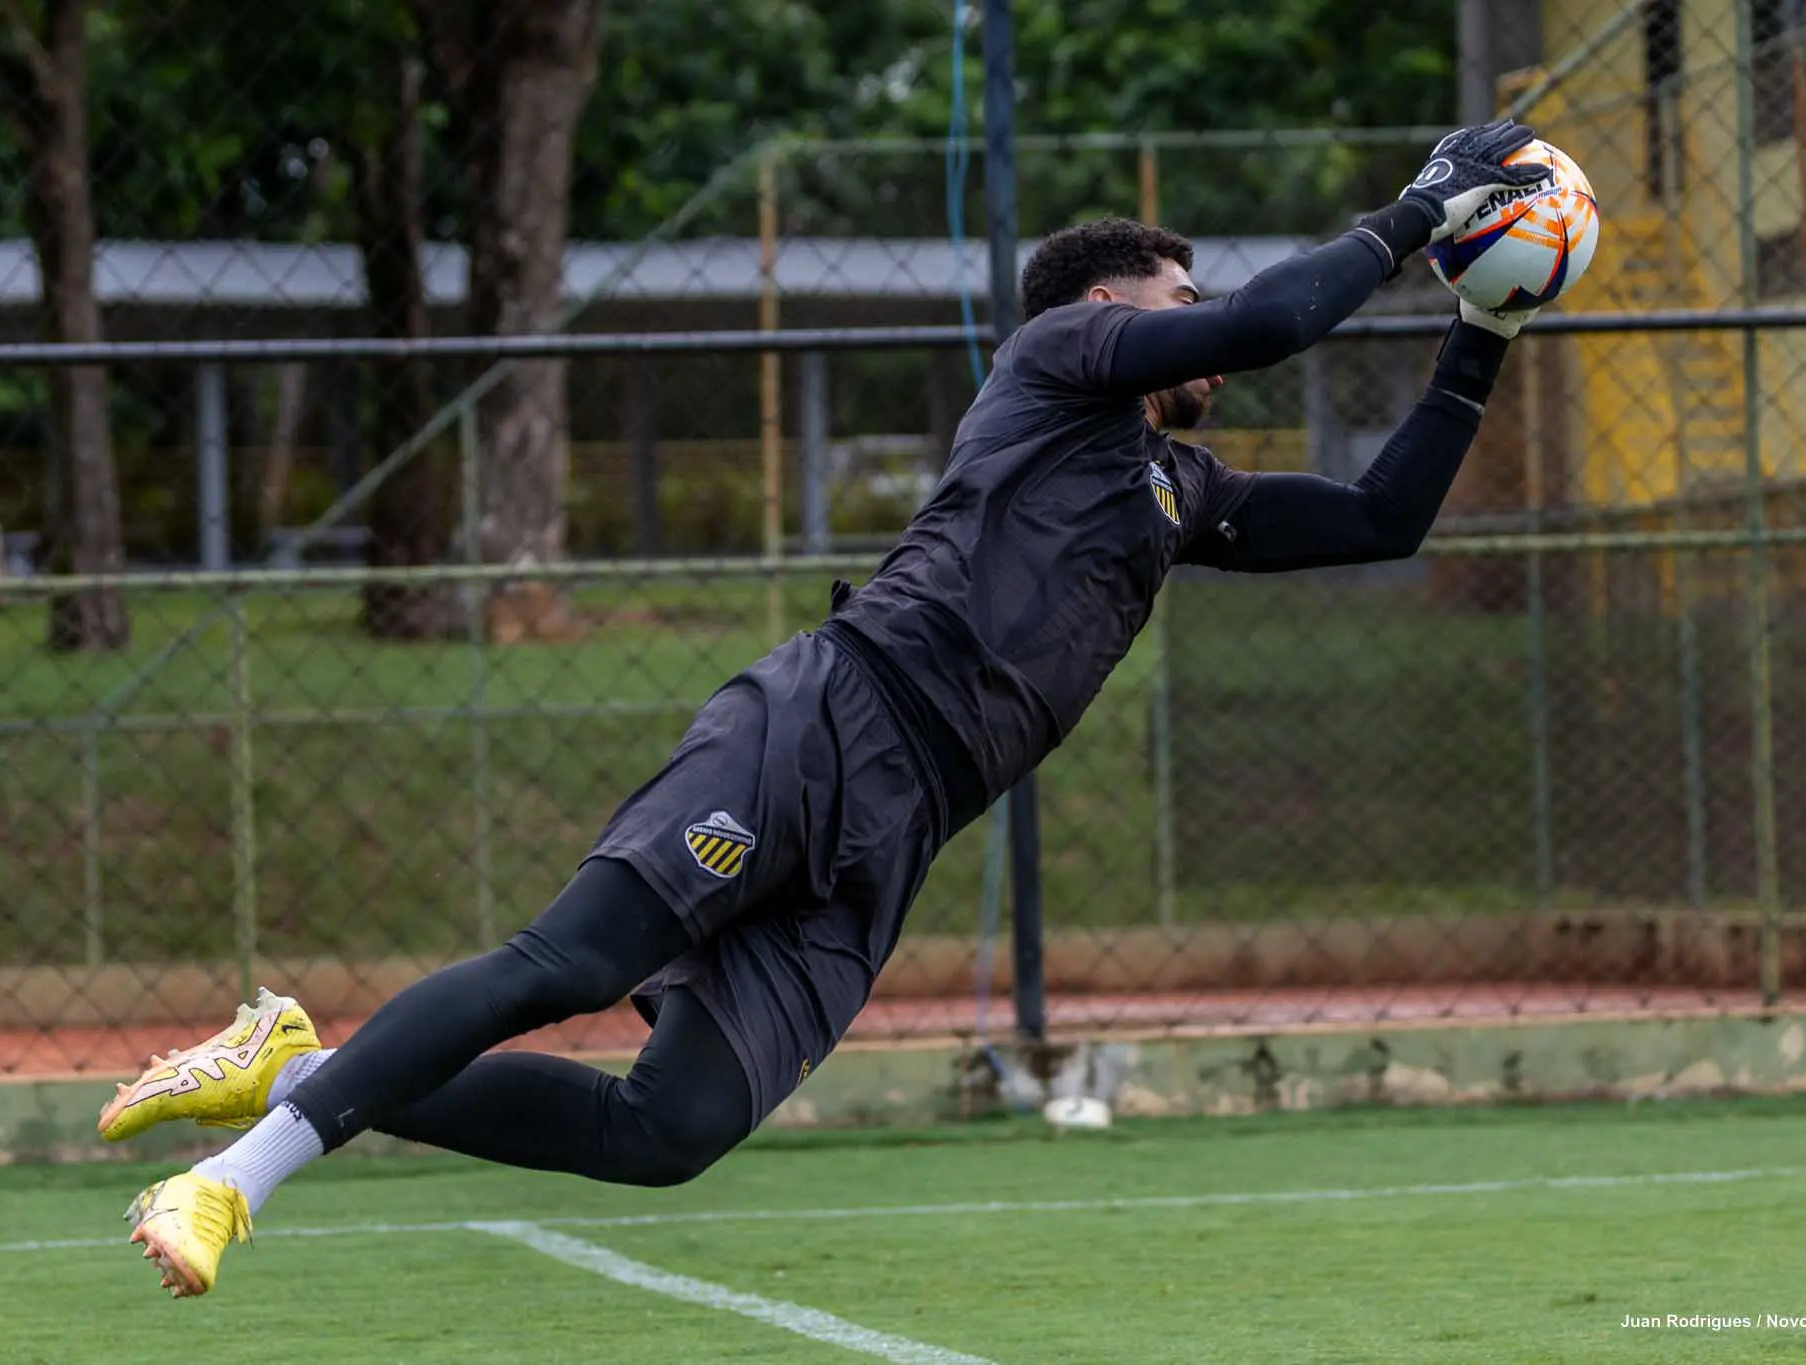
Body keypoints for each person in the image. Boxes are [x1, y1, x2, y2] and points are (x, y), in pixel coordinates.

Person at [106, 119, 1551, 1297]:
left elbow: (1381, 519)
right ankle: (233, 1183)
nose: (1210, 337)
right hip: (829, 721)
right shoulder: (1058, 365)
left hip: (903, 825)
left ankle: (299, 1067)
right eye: (1184, 305)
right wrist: (1414, 212)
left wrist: (1481, 328)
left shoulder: (1182, 491)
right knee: (569, 965)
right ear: (1110, 313)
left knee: (668, 1129)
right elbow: (1277, 319)